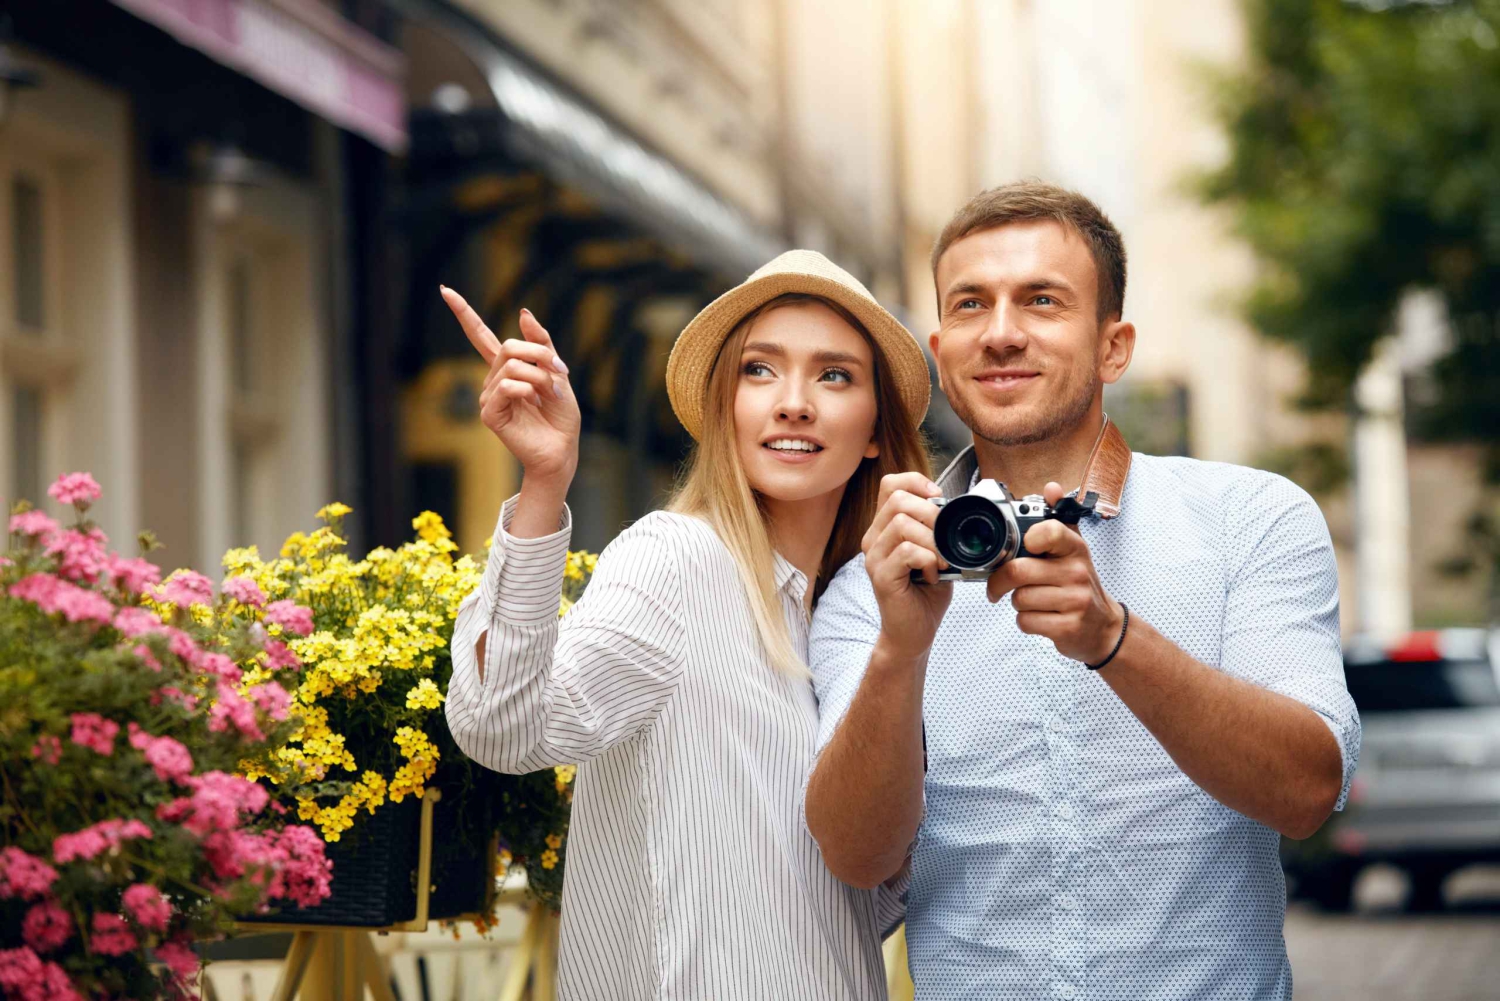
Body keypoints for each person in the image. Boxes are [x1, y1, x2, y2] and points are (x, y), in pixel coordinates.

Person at [804, 181, 1362, 1000]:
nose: (1000, 333)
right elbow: (856, 855)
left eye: (1041, 300)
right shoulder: (872, 582)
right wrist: (900, 647)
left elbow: (1308, 791)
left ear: (1114, 346)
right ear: (939, 345)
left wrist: (1115, 638)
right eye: (970, 305)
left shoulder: (1251, 519)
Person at [441, 250, 932, 1000]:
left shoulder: (858, 616)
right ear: (722, 406)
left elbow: (866, 896)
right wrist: (544, 482)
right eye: (759, 370)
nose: (793, 402)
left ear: (873, 430)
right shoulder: (675, 560)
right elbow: (501, 726)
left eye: (834, 375)